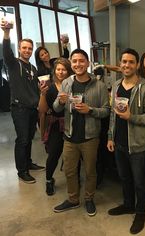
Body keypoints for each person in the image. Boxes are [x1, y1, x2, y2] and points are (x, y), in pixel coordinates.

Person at [53, 49, 110, 216]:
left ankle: (89, 199)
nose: (78, 64)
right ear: (71, 63)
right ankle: (72, 199)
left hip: (90, 137)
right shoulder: (66, 83)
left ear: (88, 63)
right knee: (69, 171)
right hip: (70, 135)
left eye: (81, 60)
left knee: (90, 171)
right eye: (75, 61)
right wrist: (60, 101)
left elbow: (106, 110)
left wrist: (90, 110)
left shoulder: (98, 85)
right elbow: (56, 108)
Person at [107, 48, 145, 234]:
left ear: (137, 65)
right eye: (124, 62)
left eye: (130, 62)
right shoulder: (117, 84)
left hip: (137, 145)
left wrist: (131, 117)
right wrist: (110, 137)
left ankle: (140, 213)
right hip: (119, 142)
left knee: (139, 182)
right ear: (120, 64)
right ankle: (128, 204)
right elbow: (113, 114)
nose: (126, 65)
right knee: (124, 177)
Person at [1, 19, 45, 184]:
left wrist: (41, 88)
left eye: (29, 48)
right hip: (19, 109)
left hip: (33, 109)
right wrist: (6, 33)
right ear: (19, 49)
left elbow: (35, 89)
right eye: (24, 48)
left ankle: (28, 163)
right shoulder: (14, 64)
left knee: (29, 138)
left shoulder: (32, 68)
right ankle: (21, 171)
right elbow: (6, 52)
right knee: (22, 139)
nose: (27, 50)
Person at [38, 58, 73, 195]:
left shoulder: (73, 85)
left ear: (68, 71)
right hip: (55, 125)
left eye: (63, 69)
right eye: (58, 69)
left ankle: (75, 179)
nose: (61, 72)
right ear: (54, 71)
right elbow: (42, 110)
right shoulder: (50, 87)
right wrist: (42, 94)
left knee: (74, 155)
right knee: (53, 154)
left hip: (72, 123)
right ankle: (48, 180)